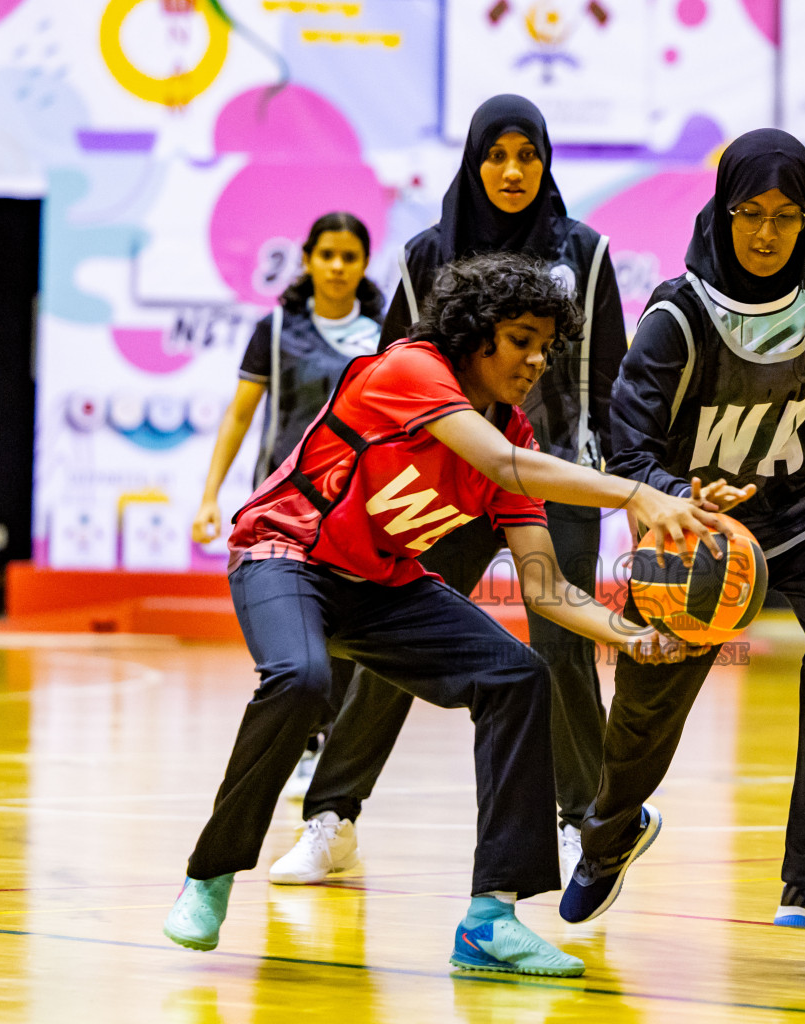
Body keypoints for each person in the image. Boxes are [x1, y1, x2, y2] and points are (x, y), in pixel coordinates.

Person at [162, 252, 721, 977]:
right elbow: (504, 467)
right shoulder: (410, 369)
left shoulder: (515, 434)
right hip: (285, 552)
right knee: (301, 679)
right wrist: (632, 494)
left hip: (381, 584)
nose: (536, 359)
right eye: (522, 338)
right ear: (477, 333)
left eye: (547, 346)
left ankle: (490, 919)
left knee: (518, 677)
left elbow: (547, 589)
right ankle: (209, 876)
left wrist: (635, 637)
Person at [273, 94, 626, 888]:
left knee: (562, 641)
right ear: (473, 162)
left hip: (554, 472)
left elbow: (610, 380)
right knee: (393, 642)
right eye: (495, 156)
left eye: (526, 155)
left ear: (545, 163)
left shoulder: (587, 252)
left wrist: (630, 483)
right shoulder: (426, 254)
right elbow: (398, 374)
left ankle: (584, 826)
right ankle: (334, 817)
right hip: (447, 480)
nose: (511, 171)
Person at [559, 129, 805, 933]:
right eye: (750, 212)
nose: (767, 232)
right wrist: (680, 495)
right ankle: (610, 835)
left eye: (786, 215)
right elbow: (625, 448)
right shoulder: (677, 317)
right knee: (647, 699)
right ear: (723, 210)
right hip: (698, 527)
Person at [192, 211, 382, 805]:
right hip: (284, 507)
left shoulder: (383, 334)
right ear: (307, 260)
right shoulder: (274, 330)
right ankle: (302, 741)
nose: (337, 267)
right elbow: (240, 414)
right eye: (326, 254)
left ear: (363, 264)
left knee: (349, 629)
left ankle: (325, 742)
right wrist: (209, 495)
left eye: (349, 256)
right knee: (294, 631)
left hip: (357, 504)